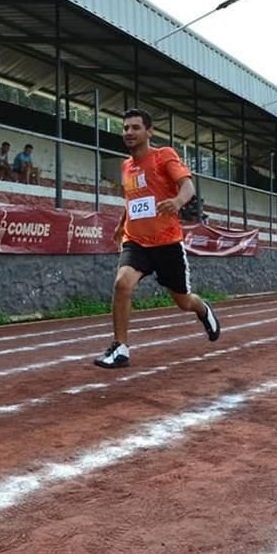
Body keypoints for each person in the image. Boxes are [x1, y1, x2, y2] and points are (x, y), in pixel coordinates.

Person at [95, 108, 221, 369]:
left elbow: (188, 185)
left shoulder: (164, 156)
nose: (129, 132)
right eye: (125, 128)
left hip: (167, 243)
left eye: (135, 127)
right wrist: (121, 225)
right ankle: (120, 348)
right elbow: (134, 200)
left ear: (149, 131)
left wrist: (177, 200)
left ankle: (203, 309)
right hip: (137, 241)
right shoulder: (126, 166)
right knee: (122, 284)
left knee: (183, 301)